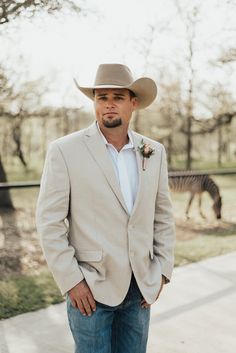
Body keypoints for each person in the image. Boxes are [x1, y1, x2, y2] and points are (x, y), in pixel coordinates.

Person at [36, 63, 175, 353]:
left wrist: (162, 270)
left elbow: (163, 215)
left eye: (118, 97)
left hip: (140, 289)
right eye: (102, 97)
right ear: (95, 103)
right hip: (90, 288)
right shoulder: (64, 150)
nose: (109, 105)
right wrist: (72, 281)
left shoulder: (154, 151)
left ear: (133, 103)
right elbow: (49, 223)